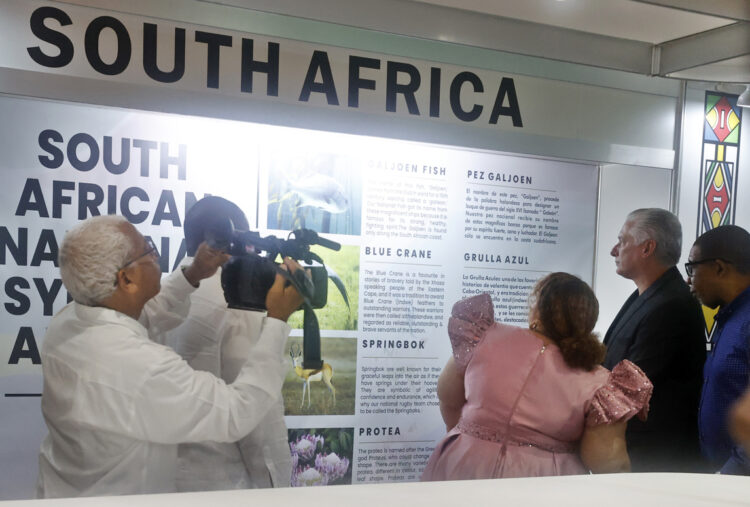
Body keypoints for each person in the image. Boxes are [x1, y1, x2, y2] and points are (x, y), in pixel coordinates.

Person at [36, 215, 303, 498]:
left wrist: (193, 273)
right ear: (126, 279)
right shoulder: (140, 366)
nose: (156, 256)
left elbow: (147, 312)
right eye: (147, 251)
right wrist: (277, 319)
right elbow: (237, 411)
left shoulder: (68, 322)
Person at [421, 273, 652, 480]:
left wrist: (472, 438)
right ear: (588, 322)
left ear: (537, 310)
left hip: (461, 466)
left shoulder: (483, 337)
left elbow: (448, 397)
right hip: (542, 482)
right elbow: (605, 460)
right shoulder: (599, 381)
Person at [164, 197, 293, 491]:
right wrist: (278, 490)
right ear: (230, 237)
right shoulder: (236, 301)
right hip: (223, 482)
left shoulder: (160, 296)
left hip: (166, 479)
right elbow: (257, 415)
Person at [603, 208, 706, 472]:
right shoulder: (649, 295)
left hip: (657, 460)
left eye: (622, 241)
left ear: (647, 248)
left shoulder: (672, 304)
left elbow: (631, 384)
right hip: (640, 453)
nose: (614, 250)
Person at [687, 224, 750, 475]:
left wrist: (728, 476)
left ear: (719, 268)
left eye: (692, 267)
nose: (688, 278)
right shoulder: (730, 318)